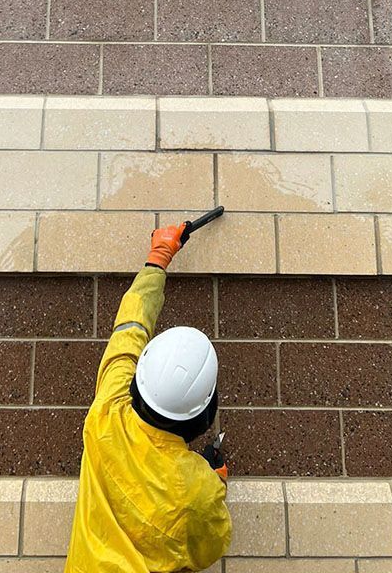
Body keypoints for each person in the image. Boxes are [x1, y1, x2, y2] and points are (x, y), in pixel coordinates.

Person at [64, 222, 232, 572]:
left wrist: (158, 259)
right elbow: (207, 550)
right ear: (204, 413)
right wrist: (215, 481)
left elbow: (130, 329)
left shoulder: (107, 413)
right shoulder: (198, 489)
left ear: (139, 381)